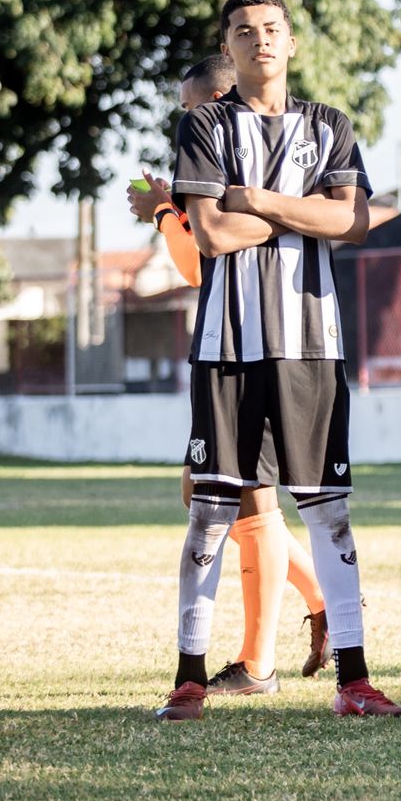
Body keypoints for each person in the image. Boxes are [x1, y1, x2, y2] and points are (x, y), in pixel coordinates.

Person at [155, 0, 399, 721]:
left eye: (271, 29)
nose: (259, 39)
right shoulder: (204, 126)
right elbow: (211, 236)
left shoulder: (330, 127)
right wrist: (305, 214)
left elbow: (354, 222)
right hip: (228, 348)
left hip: (311, 347)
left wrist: (257, 201)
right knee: (211, 515)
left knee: (328, 511)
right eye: (243, 31)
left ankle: (354, 681)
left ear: (291, 42)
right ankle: (189, 678)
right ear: (227, 50)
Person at [128, 54, 333, 701]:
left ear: (221, 99)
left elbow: (197, 262)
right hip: (232, 344)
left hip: (267, 345)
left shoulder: (241, 161)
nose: (189, 123)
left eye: (194, 108)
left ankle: (258, 661)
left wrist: (167, 215)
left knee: (252, 500)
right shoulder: (215, 173)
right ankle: (304, 610)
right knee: (226, 496)